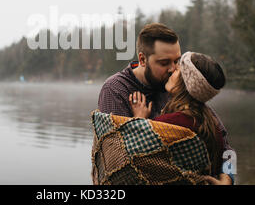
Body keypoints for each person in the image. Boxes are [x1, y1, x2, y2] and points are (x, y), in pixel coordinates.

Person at [98, 23, 234, 184]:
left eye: (177, 61)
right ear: (142, 59)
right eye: (164, 63)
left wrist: (228, 179)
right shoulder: (116, 90)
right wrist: (137, 124)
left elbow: (227, 148)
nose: (173, 69)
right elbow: (116, 160)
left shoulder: (181, 89)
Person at [128, 51, 232, 183]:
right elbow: (228, 153)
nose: (171, 71)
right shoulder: (211, 122)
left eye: (177, 69)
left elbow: (134, 158)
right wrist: (228, 179)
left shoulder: (170, 123)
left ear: (185, 82)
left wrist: (139, 122)